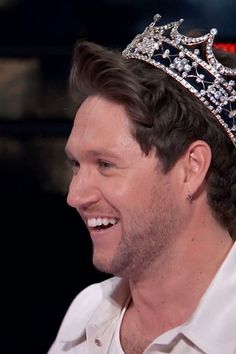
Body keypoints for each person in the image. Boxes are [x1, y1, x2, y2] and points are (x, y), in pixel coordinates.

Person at [48, 14, 236, 354]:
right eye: (77, 165)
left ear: (191, 169)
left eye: (105, 165)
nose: (75, 196)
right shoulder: (84, 315)